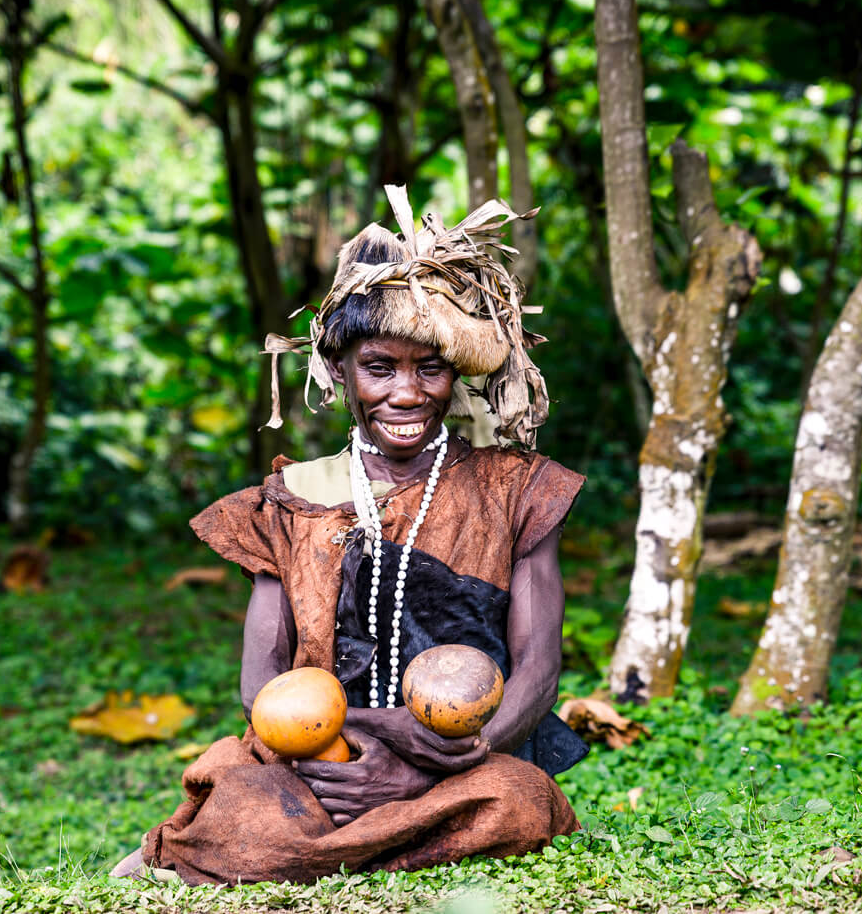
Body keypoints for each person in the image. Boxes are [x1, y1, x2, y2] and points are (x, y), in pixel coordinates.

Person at [112, 186, 587, 885]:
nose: (406, 393)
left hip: (461, 764)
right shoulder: (293, 496)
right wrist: (367, 745)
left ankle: (324, 845)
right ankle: (343, 836)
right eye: (379, 368)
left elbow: (539, 667)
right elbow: (259, 682)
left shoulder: (516, 487)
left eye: (428, 368)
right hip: (321, 763)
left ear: (453, 374)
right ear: (339, 372)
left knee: (518, 801)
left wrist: (435, 758)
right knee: (241, 802)